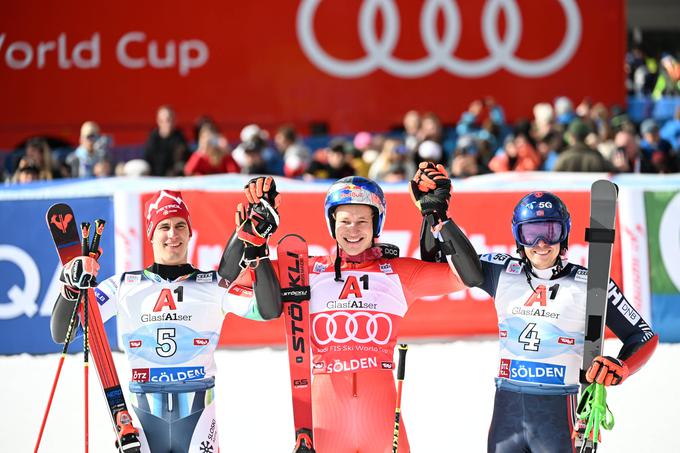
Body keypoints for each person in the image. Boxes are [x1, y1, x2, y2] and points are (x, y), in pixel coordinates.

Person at [226, 171, 483, 452]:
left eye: (363, 221)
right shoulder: (305, 271)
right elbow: (229, 278)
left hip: (382, 423)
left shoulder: (398, 273)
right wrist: (251, 232)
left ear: (377, 224)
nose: (353, 230)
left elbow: (467, 276)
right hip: (327, 423)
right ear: (331, 223)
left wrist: (438, 217)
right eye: (344, 221)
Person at [417, 180, 658, 453]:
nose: (541, 243)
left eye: (550, 232)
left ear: (564, 234)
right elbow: (436, 264)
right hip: (506, 412)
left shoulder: (591, 283)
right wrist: (432, 214)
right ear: (518, 236)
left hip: (556, 414)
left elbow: (643, 336)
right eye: (531, 233)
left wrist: (622, 367)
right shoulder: (500, 271)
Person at [50, 190, 281, 452]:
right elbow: (63, 333)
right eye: (164, 227)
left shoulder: (213, 285)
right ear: (150, 234)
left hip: (199, 414)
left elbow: (268, 310)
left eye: (180, 225)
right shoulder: (122, 286)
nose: (173, 234)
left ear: (190, 232)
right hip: (142, 415)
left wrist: (258, 251)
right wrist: (69, 288)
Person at [144, 105, 190, 177]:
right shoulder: (153, 139)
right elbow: (148, 160)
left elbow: (183, 161)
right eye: (165, 120)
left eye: (170, 120)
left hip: (173, 178)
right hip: (154, 178)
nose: (168, 123)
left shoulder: (179, 138)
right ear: (158, 121)